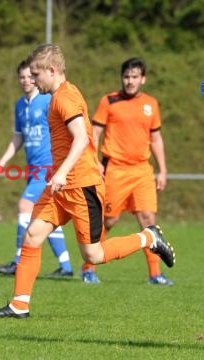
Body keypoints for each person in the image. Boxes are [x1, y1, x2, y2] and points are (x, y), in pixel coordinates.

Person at [0, 44, 175, 319]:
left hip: (81, 187)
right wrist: (58, 175)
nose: (34, 81)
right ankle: (19, 305)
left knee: (93, 255)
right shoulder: (59, 95)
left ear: (52, 71)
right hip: (60, 187)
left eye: (37, 75)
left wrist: (61, 172)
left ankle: (148, 237)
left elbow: (81, 138)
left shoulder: (64, 98)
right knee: (33, 235)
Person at [81, 57, 173, 285]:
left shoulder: (151, 104)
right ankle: (89, 267)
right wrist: (95, 160)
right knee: (109, 220)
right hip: (116, 170)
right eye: (126, 77)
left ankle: (155, 274)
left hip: (142, 170)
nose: (130, 81)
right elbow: (94, 133)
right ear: (122, 78)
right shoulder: (109, 101)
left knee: (148, 219)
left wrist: (162, 170)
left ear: (143, 79)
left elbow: (156, 138)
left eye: (134, 77)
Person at [0, 60, 73, 278]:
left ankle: (18, 261)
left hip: (48, 167)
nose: (26, 81)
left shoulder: (48, 100)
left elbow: (66, 128)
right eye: (22, 77)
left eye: (30, 76)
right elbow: (18, 138)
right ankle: (66, 267)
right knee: (46, 216)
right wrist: (2, 162)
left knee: (25, 205)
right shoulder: (20, 105)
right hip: (33, 170)